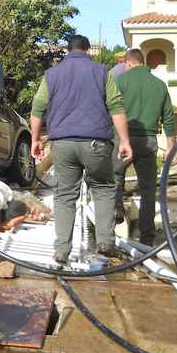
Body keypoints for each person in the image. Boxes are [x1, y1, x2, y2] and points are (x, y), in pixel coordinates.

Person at [30, 35, 133, 263]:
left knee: (65, 195)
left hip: (63, 144)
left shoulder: (52, 74)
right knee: (104, 188)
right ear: (88, 50)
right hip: (96, 143)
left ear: (68, 51)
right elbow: (116, 106)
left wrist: (35, 139)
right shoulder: (101, 72)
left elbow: (38, 107)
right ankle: (106, 241)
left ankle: (62, 250)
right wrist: (124, 141)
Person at [114, 48, 176, 246]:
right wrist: (170, 146)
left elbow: (110, 109)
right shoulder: (159, 85)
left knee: (115, 176)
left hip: (123, 139)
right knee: (148, 189)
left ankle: (116, 210)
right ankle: (147, 238)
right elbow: (168, 117)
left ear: (129, 63)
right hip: (149, 141)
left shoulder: (120, 82)